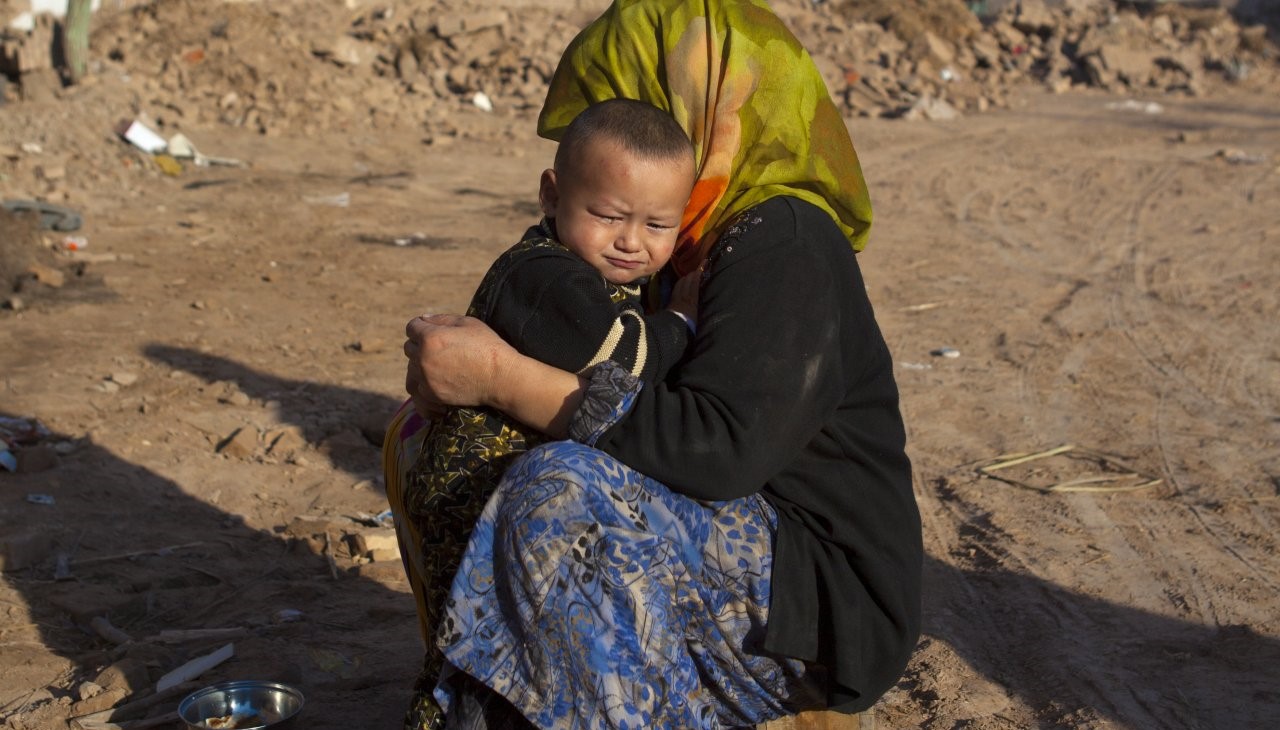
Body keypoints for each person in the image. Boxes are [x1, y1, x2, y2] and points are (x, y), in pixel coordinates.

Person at [385, 0, 923, 728]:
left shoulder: (784, 242)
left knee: (558, 494)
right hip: (730, 536)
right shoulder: (681, 238)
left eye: (639, 99)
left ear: (707, 110)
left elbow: (717, 450)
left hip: (816, 608)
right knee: (446, 444)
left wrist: (503, 380)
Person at [398, 97, 700, 728]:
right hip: (474, 489)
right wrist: (682, 321)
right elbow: (626, 358)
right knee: (476, 640)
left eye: (658, 226)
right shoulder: (541, 277)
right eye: (609, 215)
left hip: (513, 489)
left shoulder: (592, 270)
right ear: (550, 193)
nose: (631, 242)